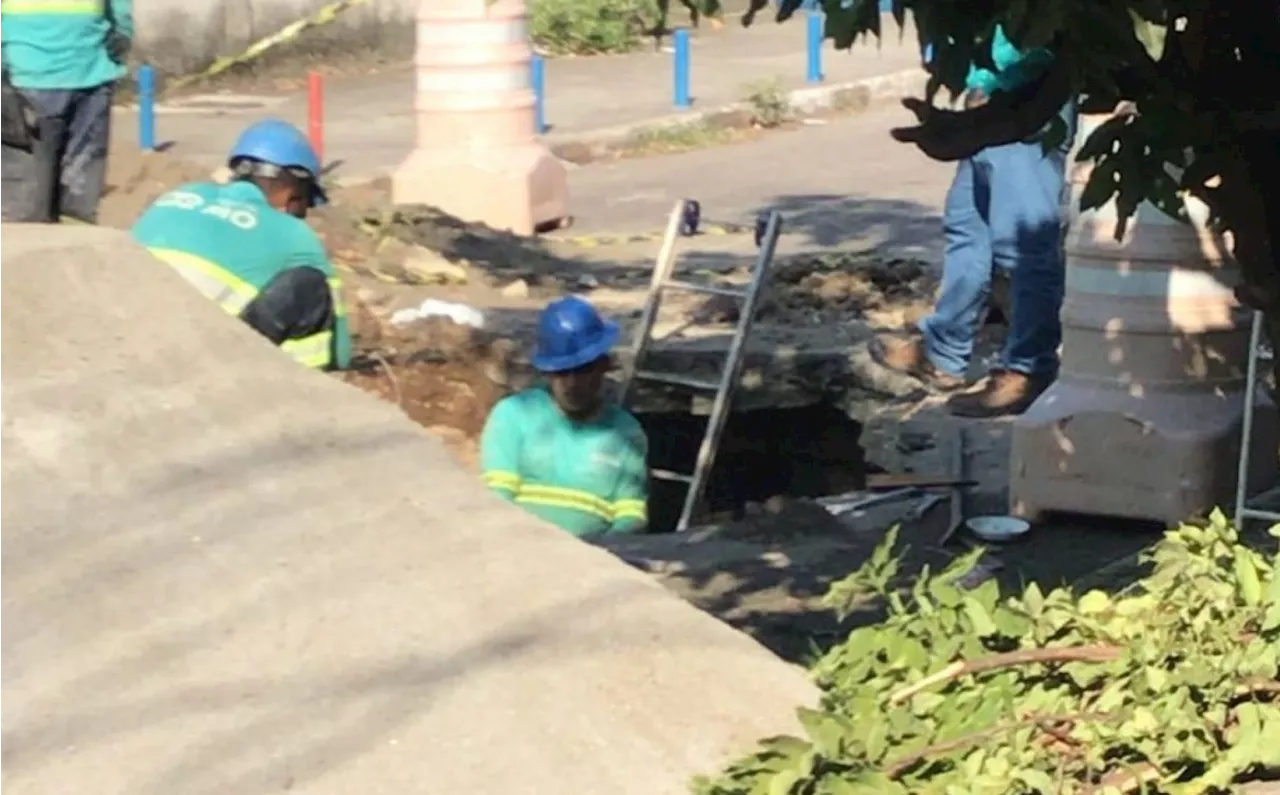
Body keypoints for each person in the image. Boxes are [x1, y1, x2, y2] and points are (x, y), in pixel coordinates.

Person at [872, 26, 1075, 418]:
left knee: (1024, 245)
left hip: (1028, 103)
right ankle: (943, 352)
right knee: (968, 229)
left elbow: (1035, 44)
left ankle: (1029, 370)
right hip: (991, 105)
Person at [131, 119, 351, 371]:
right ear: (293, 189)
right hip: (196, 359)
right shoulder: (293, 233)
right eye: (303, 203)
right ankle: (298, 385)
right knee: (308, 286)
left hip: (127, 332)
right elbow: (341, 352)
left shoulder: (178, 195)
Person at [480, 296, 649, 537]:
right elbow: (497, 497)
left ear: (603, 366)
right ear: (547, 372)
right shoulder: (514, 415)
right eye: (561, 372)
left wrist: (604, 552)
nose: (572, 383)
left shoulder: (626, 432)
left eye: (582, 370)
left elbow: (630, 511)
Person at [0, 0, 132, 222]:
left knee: (61, 196)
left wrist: (123, 33)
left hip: (83, 74)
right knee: (31, 195)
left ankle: (67, 244)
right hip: (31, 79)